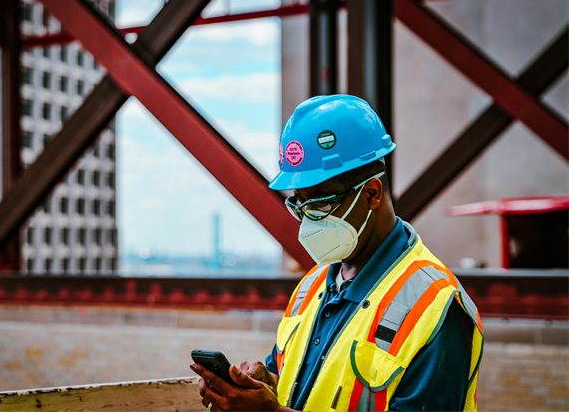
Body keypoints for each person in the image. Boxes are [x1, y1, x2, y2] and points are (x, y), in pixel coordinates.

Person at [191, 95, 484, 411]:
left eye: (319, 204)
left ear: (372, 194)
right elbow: (299, 382)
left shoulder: (434, 306)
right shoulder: (312, 286)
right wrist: (266, 383)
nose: (307, 222)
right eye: (298, 204)